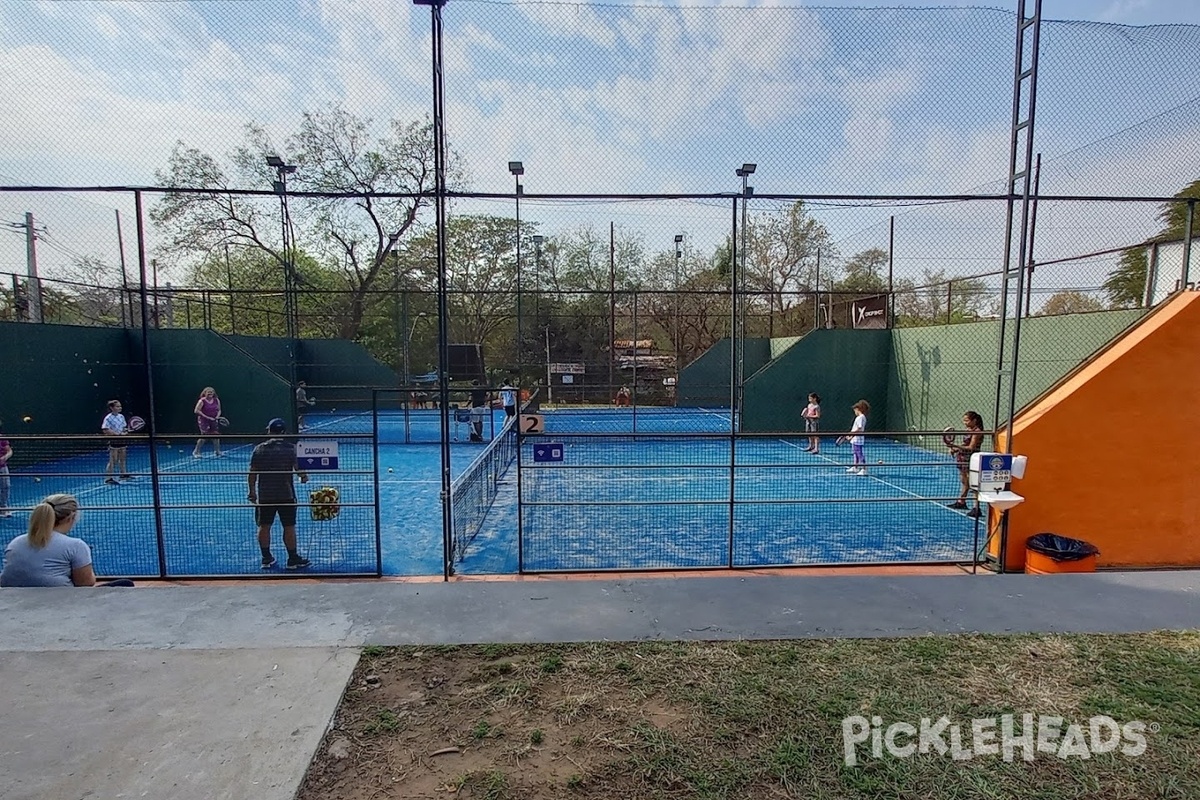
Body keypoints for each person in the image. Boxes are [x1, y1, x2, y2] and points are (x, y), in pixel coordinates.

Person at [0, 493, 134, 587]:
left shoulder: (16, 542)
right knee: (125, 584)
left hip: (17, 601)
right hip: (61, 604)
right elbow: (85, 584)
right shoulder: (75, 546)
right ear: (71, 518)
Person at [248, 418, 311, 570]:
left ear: (269, 431)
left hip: (265, 495)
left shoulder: (259, 449)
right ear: (283, 432)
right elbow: (299, 470)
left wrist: (252, 492)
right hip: (286, 495)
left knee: (264, 526)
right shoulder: (291, 449)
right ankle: (293, 558)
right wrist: (304, 476)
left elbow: (252, 473)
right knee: (289, 526)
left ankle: (266, 558)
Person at [948, 410, 985, 518]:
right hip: (962, 458)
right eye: (964, 420)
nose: (965, 423)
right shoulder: (968, 429)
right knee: (964, 481)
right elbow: (965, 444)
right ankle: (961, 502)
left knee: (973, 483)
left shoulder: (977, 431)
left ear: (974, 420)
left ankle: (976, 508)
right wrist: (955, 449)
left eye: (967, 420)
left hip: (971, 459)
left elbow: (971, 447)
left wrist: (956, 446)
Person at [101, 399, 132, 485]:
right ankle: (108, 478)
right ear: (111, 408)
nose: (120, 408)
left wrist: (125, 432)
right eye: (117, 406)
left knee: (122, 458)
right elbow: (105, 429)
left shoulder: (121, 416)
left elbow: (124, 427)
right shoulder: (108, 418)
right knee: (113, 460)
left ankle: (123, 474)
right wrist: (116, 435)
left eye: (120, 406)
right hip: (114, 440)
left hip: (122, 440)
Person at [192, 386, 223, 458]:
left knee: (216, 435)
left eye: (211, 392)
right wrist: (207, 417)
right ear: (205, 393)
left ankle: (217, 451)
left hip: (213, 420)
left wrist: (217, 416)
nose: (210, 394)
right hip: (204, 420)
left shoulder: (216, 400)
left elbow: (219, 410)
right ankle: (196, 451)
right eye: (208, 393)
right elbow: (196, 411)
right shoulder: (202, 401)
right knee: (204, 437)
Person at [845, 400, 870, 476]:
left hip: (858, 439)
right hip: (855, 439)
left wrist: (851, 435)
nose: (854, 412)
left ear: (859, 409)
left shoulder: (860, 418)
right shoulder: (860, 417)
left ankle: (864, 469)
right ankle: (855, 467)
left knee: (859, 453)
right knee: (855, 453)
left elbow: (859, 428)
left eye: (855, 410)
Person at [0, 422, 11, 518]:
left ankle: (3, 507)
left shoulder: (2, 438)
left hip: (2, 467)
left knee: (6, 486)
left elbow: (9, 451)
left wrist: (5, 457)